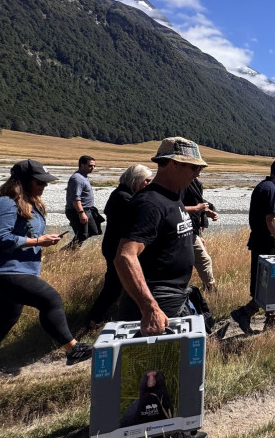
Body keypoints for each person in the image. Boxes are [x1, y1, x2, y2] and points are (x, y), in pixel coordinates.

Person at [0, 160, 93, 383]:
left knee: (5, 317)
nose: (44, 186)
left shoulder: (25, 204)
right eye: (40, 182)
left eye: (45, 182)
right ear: (23, 182)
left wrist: (41, 240)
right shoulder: (3, 203)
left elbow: (14, 233)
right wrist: (37, 240)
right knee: (50, 299)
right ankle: (72, 349)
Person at [115, 138, 205, 335]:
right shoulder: (150, 203)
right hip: (157, 302)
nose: (198, 173)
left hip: (172, 297)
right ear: (173, 164)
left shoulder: (173, 196)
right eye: (193, 167)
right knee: (157, 364)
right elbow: (125, 257)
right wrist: (150, 308)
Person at [85, 164, 153, 327]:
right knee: (114, 286)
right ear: (136, 180)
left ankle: (101, 316)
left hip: (114, 246)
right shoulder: (124, 197)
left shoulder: (122, 193)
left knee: (118, 285)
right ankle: (93, 319)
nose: (148, 184)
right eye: (146, 181)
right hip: (116, 249)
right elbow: (140, 214)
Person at [233, 157, 275, 333]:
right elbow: (272, 219)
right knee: (270, 285)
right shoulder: (271, 189)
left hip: (262, 243)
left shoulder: (265, 186)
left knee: (266, 285)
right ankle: (265, 321)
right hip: (267, 245)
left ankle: (255, 316)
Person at [183, 178, 219, 292]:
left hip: (192, 229)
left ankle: (208, 288)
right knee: (204, 260)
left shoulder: (194, 183)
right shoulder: (181, 183)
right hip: (185, 229)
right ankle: (211, 290)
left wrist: (206, 212)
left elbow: (199, 202)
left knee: (199, 260)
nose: (199, 171)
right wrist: (198, 209)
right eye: (196, 168)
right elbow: (173, 207)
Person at [65, 155, 101, 249]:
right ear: (82, 165)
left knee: (93, 231)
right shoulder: (77, 178)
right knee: (82, 234)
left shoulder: (84, 177)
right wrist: (81, 213)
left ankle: (70, 251)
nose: (92, 168)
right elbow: (76, 198)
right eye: (90, 165)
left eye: (94, 166)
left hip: (87, 210)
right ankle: (66, 253)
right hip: (76, 210)